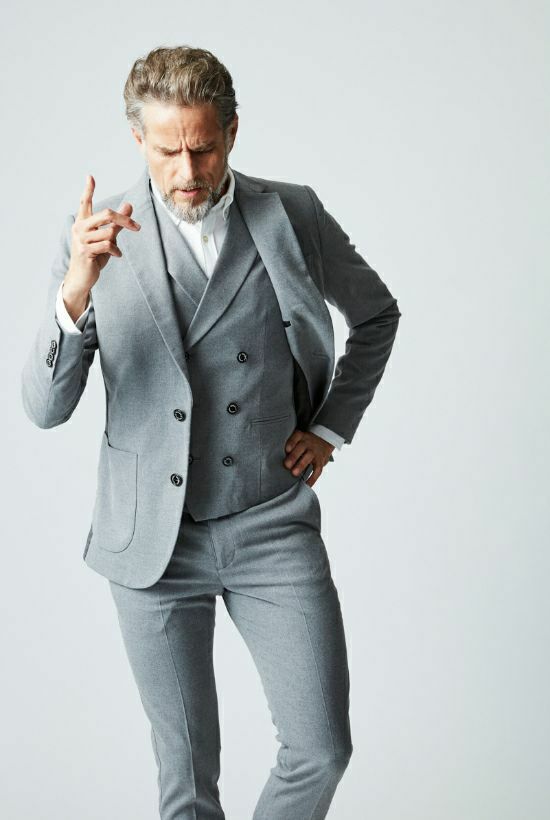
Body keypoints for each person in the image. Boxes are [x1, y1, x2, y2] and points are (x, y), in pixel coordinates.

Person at [21, 44, 401, 820]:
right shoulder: (92, 236)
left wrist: (331, 426)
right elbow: (44, 406)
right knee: (187, 779)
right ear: (138, 140)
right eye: (167, 151)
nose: (187, 171)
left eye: (204, 147)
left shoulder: (292, 213)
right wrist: (75, 291)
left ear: (231, 130)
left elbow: (376, 315)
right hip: (152, 542)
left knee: (321, 749)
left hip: (270, 522)